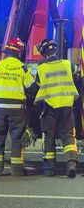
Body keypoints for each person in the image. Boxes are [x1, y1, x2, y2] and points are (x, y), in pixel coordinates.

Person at [0, 37, 36, 176]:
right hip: (17, 110)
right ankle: (16, 171)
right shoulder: (23, 69)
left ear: (7, 51)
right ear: (19, 52)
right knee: (17, 139)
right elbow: (32, 90)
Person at [34, 39, 79, 178]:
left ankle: (49, 168)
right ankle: (71, 163)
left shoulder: (41, 69)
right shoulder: (67, 64)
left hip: (50, 107)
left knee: (49, 135)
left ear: (44, 53)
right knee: (68, 136)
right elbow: (76, 72)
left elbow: (37, 85)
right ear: (56, 51)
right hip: (66, 105)